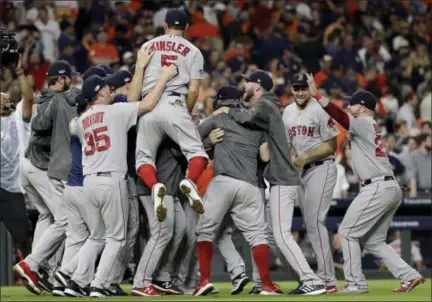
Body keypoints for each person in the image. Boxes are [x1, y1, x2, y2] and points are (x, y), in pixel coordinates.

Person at [308, 74, 425, 293]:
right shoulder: (368, 125)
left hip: (377, 187)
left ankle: (355, 283)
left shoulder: (362, 122)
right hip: (388, 186)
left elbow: (341, 117)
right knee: (374, 241)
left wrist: (317, 96)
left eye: (352, 103)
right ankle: (409, 275)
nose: (348, 105)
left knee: (347, 232)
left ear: (362, 107)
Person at [214, 70, 326, 295]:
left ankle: (311, 280)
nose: (244, 87)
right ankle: (300, 280)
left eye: (247, 83)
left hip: (282, 178)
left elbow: (245, 117)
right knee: (275, 236)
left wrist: (228, 109)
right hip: (282, 178)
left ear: (257, 86)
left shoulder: (265, 105)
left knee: (282, 235)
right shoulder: (268, 106)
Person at [195, 84, 281, 296]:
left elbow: (190, 140)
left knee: (205, 231)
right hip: (250, 186)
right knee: (257, 236)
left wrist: (208, 141)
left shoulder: (218, 119)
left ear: (221, 101)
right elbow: (265, 157)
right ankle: (267, 285)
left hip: (223, 182)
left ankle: (204, 280)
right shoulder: (255, 124)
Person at [129, 8, 208, 223]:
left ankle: (155, 186)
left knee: (144, 158)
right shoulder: (193, 51)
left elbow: (135, 87)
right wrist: (186, 113)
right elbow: (193, 90)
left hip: (148, 105)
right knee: (196, 153)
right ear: (187, 28)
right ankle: (189, 181)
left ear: (165, 25)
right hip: (174, 102)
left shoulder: (147, 46)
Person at [15, 60, 78, 294]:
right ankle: (32, 265)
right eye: (68, 78)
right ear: (61, 79)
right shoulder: (58, 99)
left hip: (28, 165)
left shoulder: (45, 96)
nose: (72, 81)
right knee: (64, 219)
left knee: (46, 216)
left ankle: (38, 270)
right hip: (40, 167)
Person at [283, 73, 339, 292]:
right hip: (301, 172)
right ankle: (322, 276)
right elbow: (288, 145)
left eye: (303, 88)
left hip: (322, 167)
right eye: (296, 88)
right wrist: (291, 161)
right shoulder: (287, 112)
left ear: (310, 88)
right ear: (291, 89)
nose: (299, 92)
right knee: (311, 224)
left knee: (315, 222)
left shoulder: (319, 109)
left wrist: (306, 156)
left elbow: (332, 145)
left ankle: (327, 279)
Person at [0, 55, 34, 260]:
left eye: (5, 97)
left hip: (11, 187)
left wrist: (19, 72)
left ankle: (34, 270)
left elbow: (28, 98)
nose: (4, 99)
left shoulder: (17, 119)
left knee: (22, 235)